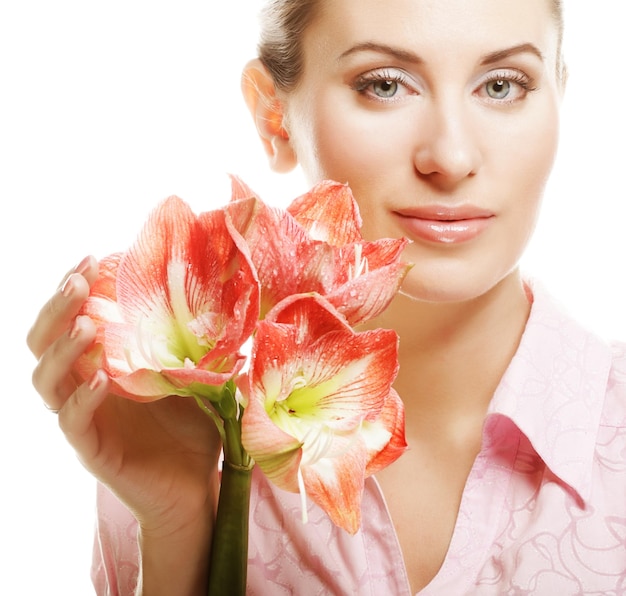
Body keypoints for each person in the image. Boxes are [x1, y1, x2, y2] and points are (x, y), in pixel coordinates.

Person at [27, 0, 626, 594]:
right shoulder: (169, 431)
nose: (451, 157)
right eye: (385, 84)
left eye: (502, 85)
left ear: (559, 96)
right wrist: (180, 527)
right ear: (274, 116)